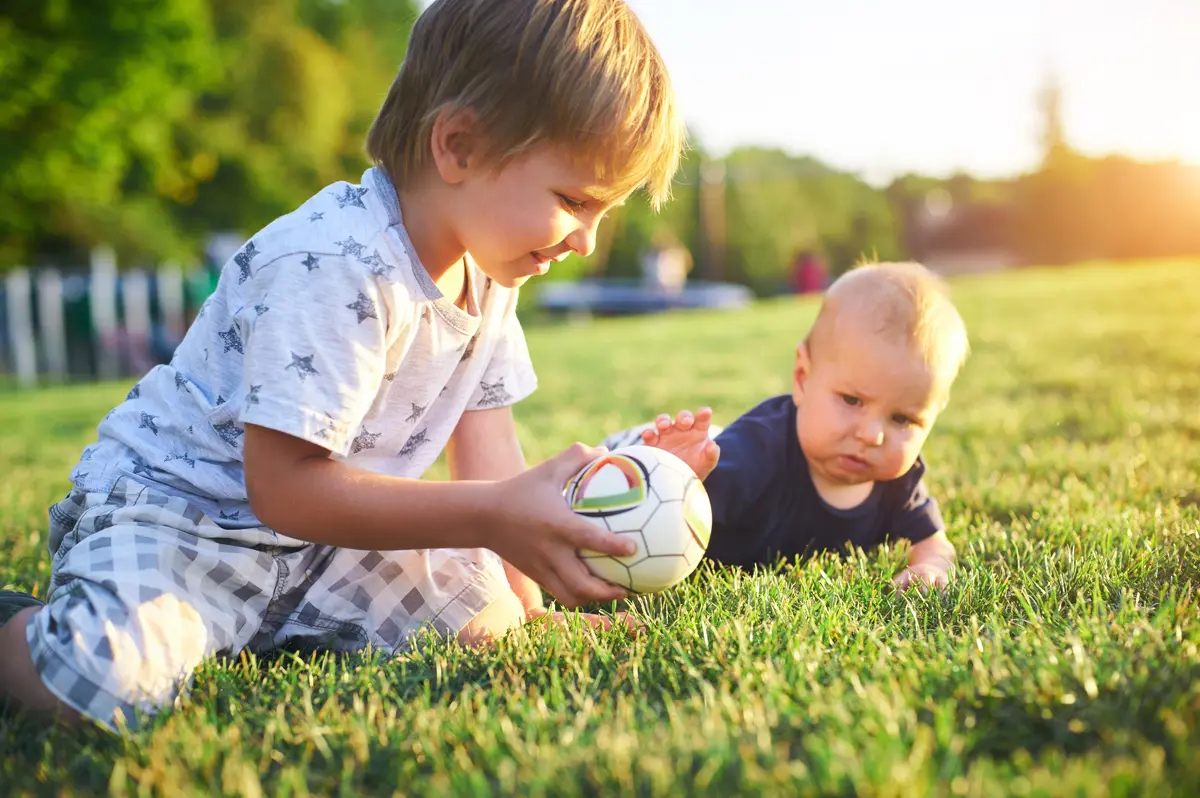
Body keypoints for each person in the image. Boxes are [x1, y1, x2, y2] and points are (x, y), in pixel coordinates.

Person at [0, 0, 685, 731]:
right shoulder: (333, 261)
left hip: (330, 547)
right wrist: (491, 513)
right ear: (458, 146)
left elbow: (492, 468)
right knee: (99, 686)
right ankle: (21, 625)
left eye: (602, 212)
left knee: (487, 622)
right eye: (574, 200)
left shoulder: (491, 277)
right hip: (186, 523)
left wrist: (527, 610)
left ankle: (267, 624)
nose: (586, 239)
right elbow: (285, 489)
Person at [604, 262, 969, 590]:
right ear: (802, 377)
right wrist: (674, 472)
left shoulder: (898, 482)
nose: (870, 435)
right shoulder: (753, 455)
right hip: (642, 449)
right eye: (852, 400)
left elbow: (933, 542)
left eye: (902, 419)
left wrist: (931, 566)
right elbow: (660, 511)